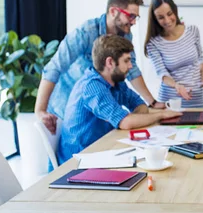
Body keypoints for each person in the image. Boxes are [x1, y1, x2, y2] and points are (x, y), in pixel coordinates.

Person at [35, 0, 166, 134]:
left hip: (96, 108)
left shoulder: (124, 34)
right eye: (131, 16)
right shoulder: (86, 33)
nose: (134, 22)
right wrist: (40, 110)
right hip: (68, 107)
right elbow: (54, 67)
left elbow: (132, 70)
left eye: (136, 17)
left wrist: (152, 102)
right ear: (113, 11)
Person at [56, 35, 182, 165]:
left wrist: (131, 120)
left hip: (103, 149)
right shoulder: (92, 86)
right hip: (78, 160)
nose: (130, 66)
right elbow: (126, 123)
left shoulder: (116, 81)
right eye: (126, 61)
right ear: (110, 62)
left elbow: (140, 106)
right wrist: (161, 114)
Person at [144, 0, 203, 108]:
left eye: (169, 14)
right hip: (171, 102)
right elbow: (162, 74)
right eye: (161, 17)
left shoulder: (192, 31)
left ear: (175, 11)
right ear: (155, 19)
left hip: (196, 99)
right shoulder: (153, 43)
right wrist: (177, 86)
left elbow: (200, 58)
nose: (167, 20)